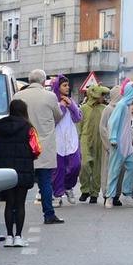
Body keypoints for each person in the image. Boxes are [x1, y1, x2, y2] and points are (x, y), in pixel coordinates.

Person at [15, 69, 63, 224]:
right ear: (43, 82)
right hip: (44, 144)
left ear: (29, 81)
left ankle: (15, 213)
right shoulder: (50, 96)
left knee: (19, 183)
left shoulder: (18, 96)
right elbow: (58, 116)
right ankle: (49, 214)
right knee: (45, 181)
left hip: (24, 143)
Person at [0, 100, 37, 245]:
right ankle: (19, 237)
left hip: (5, 170)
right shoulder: (28, 127)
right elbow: (36, 149)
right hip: (23, 168)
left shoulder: (1, 127)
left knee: (9, 203)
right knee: (20, 203)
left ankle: (9, 236)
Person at [104, 79, 133, 205]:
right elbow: (112, 122)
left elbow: (127, 126)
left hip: (127, 145)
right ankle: (109, 197)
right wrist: (113, 138)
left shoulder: (126, 106)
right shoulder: (120, 106)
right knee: (114, 170)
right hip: (118, 145)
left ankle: (126, 194)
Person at [51, 76, 83, 204]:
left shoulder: (71, 101)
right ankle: (58, 195)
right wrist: (62, 107)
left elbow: (78, 118)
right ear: (57, 87)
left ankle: (68, 187)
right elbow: (53, 121)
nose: (67, 87)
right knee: (58, 169)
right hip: (57, 139)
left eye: (68, 85)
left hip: (71, 139)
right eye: (64, 85)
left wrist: (71, 106)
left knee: (76, 166)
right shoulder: (53, 102)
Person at [78, 82, 111, 203]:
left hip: (100, 140)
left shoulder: (104, 109)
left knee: (98, 167)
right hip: (85, 139)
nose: (104, 97)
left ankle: (94, 193)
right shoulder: (83, 108)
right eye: (102, 95)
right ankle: (85, 189)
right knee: (84, 164)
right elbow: (79, 125)